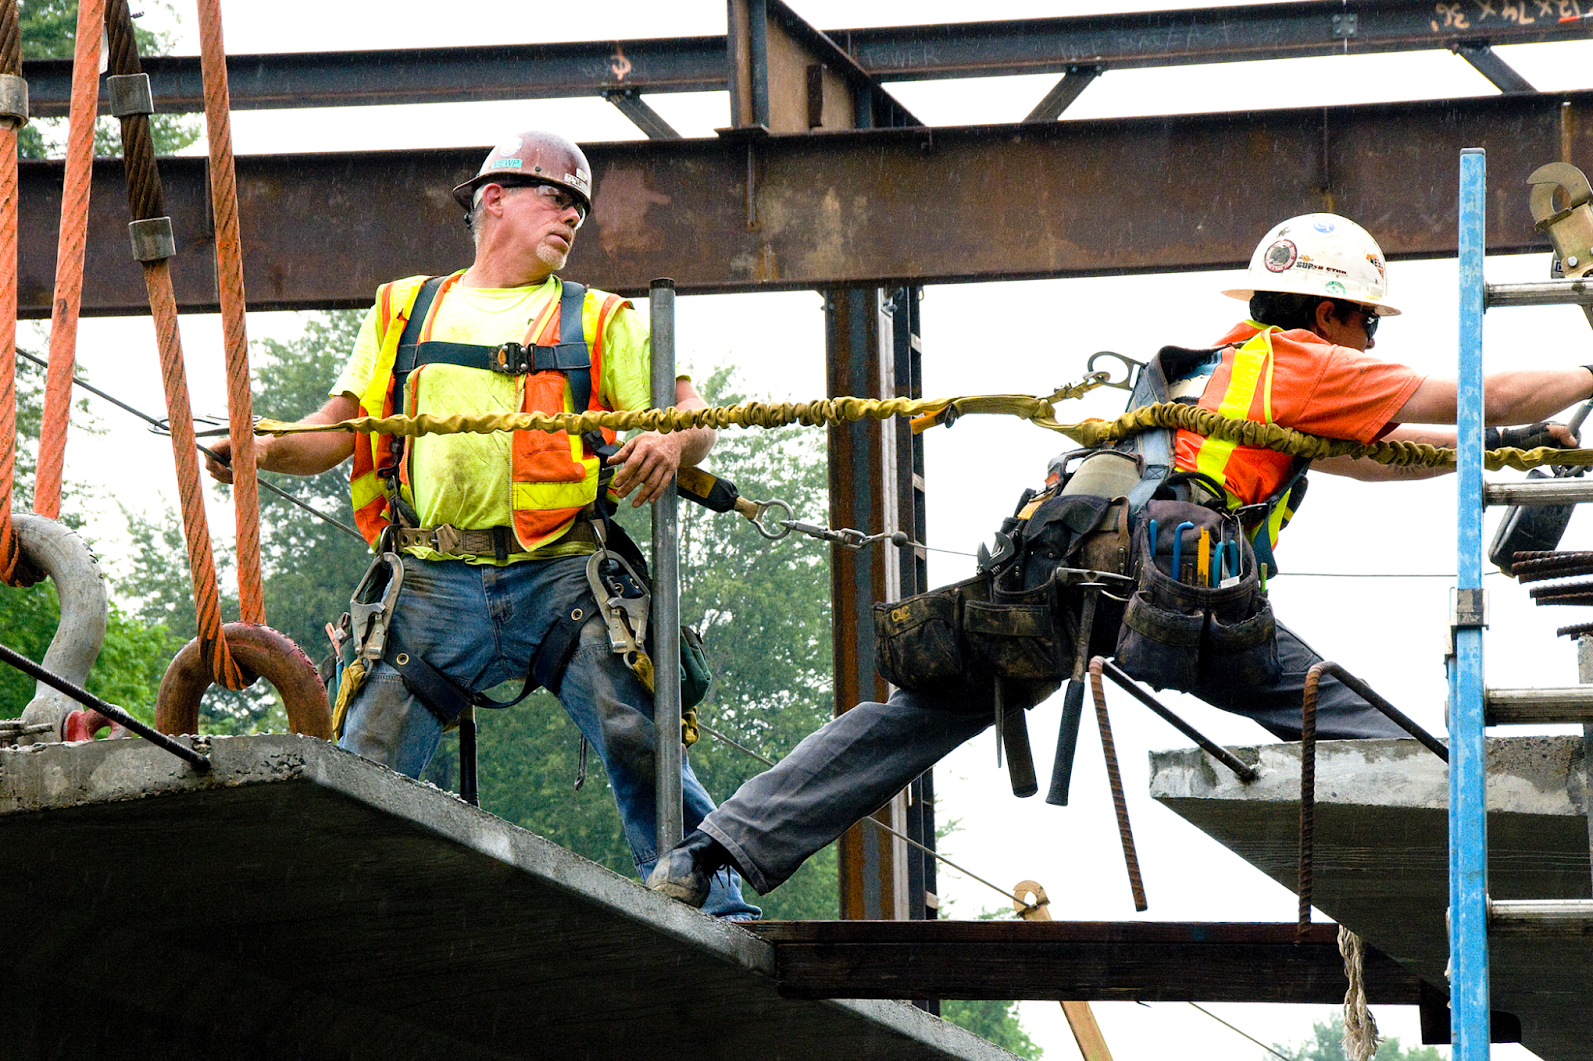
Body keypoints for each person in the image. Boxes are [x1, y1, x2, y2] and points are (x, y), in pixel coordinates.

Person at [646, 212, 1593, 910]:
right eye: (1371, 322)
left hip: (1059, 575)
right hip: (1178, 587)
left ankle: (710, 852)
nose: (1373, 342)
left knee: (911, 723)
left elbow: (1368, 459)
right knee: (1352, 725)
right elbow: (1480, 389)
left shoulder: (1200, 368)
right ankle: (1495, 852)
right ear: (1332, 311)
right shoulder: (1306, 361)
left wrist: (1528, 443)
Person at [206, 131, 758, 920]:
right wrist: (265, 449)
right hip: (430, 582)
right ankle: (332, 914)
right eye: (557, 196)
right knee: (365, 755)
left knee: (641, 732)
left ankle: (715, 905)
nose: (574, 216)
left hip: (562, 575)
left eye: (581, 206)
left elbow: (689, 414)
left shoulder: (603, 320)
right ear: (493, 197)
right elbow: (343, 427)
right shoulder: (405, 308)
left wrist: (670, 440)